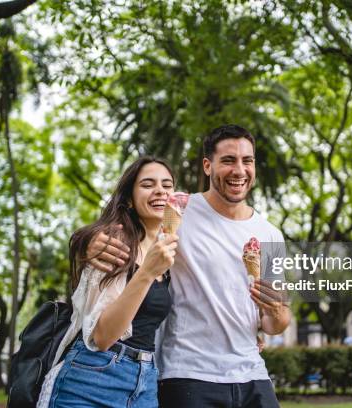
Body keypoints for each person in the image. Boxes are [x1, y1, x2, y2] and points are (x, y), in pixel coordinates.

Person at [88, 124, 291, 407]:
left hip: (252, 373)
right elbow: (130, 226)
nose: (239, 170)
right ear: (208, 166)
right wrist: (89, 241)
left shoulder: (271, 235)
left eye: (247, 161)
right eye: (228, 160)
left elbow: (275, 324)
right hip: (188, 374)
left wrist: (277, 311)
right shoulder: (178, 210)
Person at [37, 157, 179, 408]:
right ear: (128, 200)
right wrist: (146, 272)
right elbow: (102, 337)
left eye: (167, 185)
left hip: (145, 384)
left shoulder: (170, 245)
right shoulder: (113, 244)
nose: (160, 190)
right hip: (93, 378)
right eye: (148, 184)